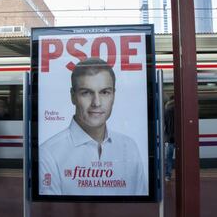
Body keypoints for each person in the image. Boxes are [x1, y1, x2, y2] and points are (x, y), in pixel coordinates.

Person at [39, 57, 147, 195]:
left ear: (113, 95)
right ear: (73, 96)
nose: (96, 103)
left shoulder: (130, 147)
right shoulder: (49, 154)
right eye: (86, 93)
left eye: (104, 92)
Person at [164, 96, 175, 182]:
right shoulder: (180, 109)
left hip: (169, 138)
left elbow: (164, 125)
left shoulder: (166, 110)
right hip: (180, 138)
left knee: (169, 158)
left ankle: (168, 175)